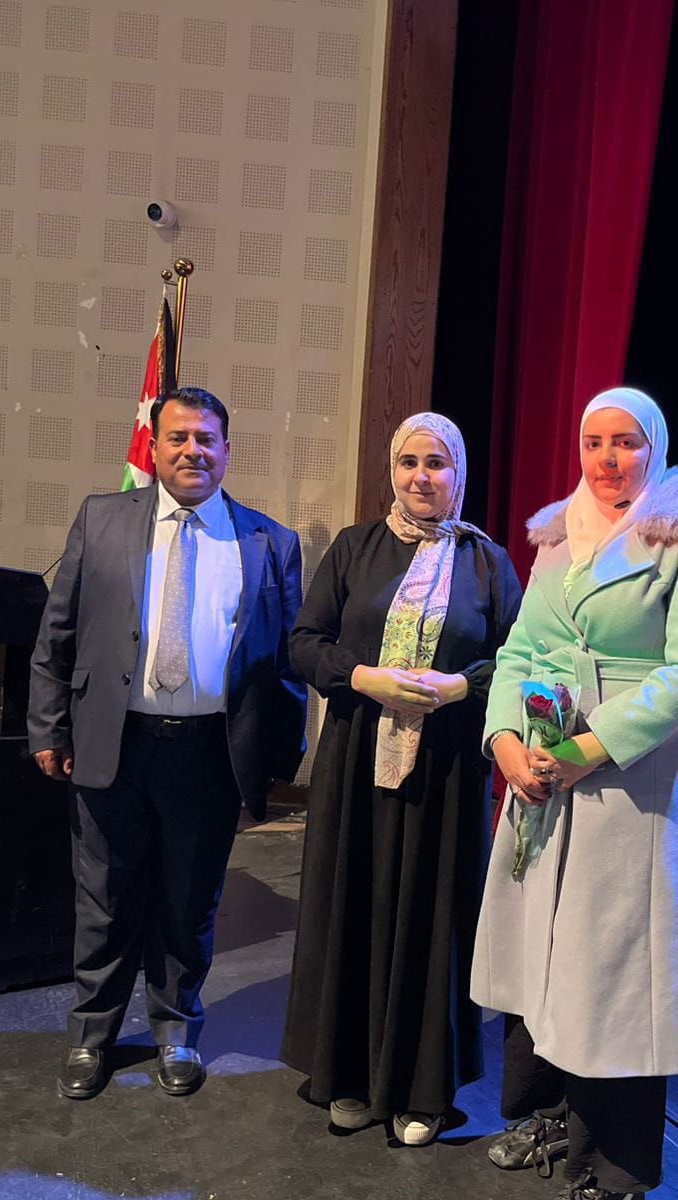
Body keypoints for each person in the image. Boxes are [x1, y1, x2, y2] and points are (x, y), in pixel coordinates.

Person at [473, 388, 678, 1200]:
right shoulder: (558, 534)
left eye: (626, 442)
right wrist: (506, 742)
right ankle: (549, 1114)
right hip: (540, 760)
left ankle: (612, 1166)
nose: (608, 459)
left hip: (630, 774)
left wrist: (589, 750)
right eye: (594, 442)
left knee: (615, 966)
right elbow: (520, 649)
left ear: (654, 446)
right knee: (543, 949)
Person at [28, 386, 307, 1102]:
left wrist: (280, 757)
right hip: (113, 743)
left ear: (227, 451)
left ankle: (176, 1028)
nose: (193, 451)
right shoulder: (101, 519)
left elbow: (285, 663)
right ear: (154, 448)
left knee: (190, 903)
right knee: (105, 899)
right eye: (178, 437)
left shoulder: (269, 541)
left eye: (207, 439)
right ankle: (92, 1035)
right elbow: (57, 634)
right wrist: (48, 727)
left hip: (210, 754)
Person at [279, 413, 523, 1146]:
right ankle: (347, 1076)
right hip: (357, 760)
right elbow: (304, 643)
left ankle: (422, 1090)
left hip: (447, 770)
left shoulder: (488, 563)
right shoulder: (354, 548)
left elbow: (519, 663)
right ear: (392, 469)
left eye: (437, 463)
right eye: (409, 461)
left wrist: (459, 687)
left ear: (459, 474)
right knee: (354, 901)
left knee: (431, 913)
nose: (422, 476)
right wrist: (362, 676)